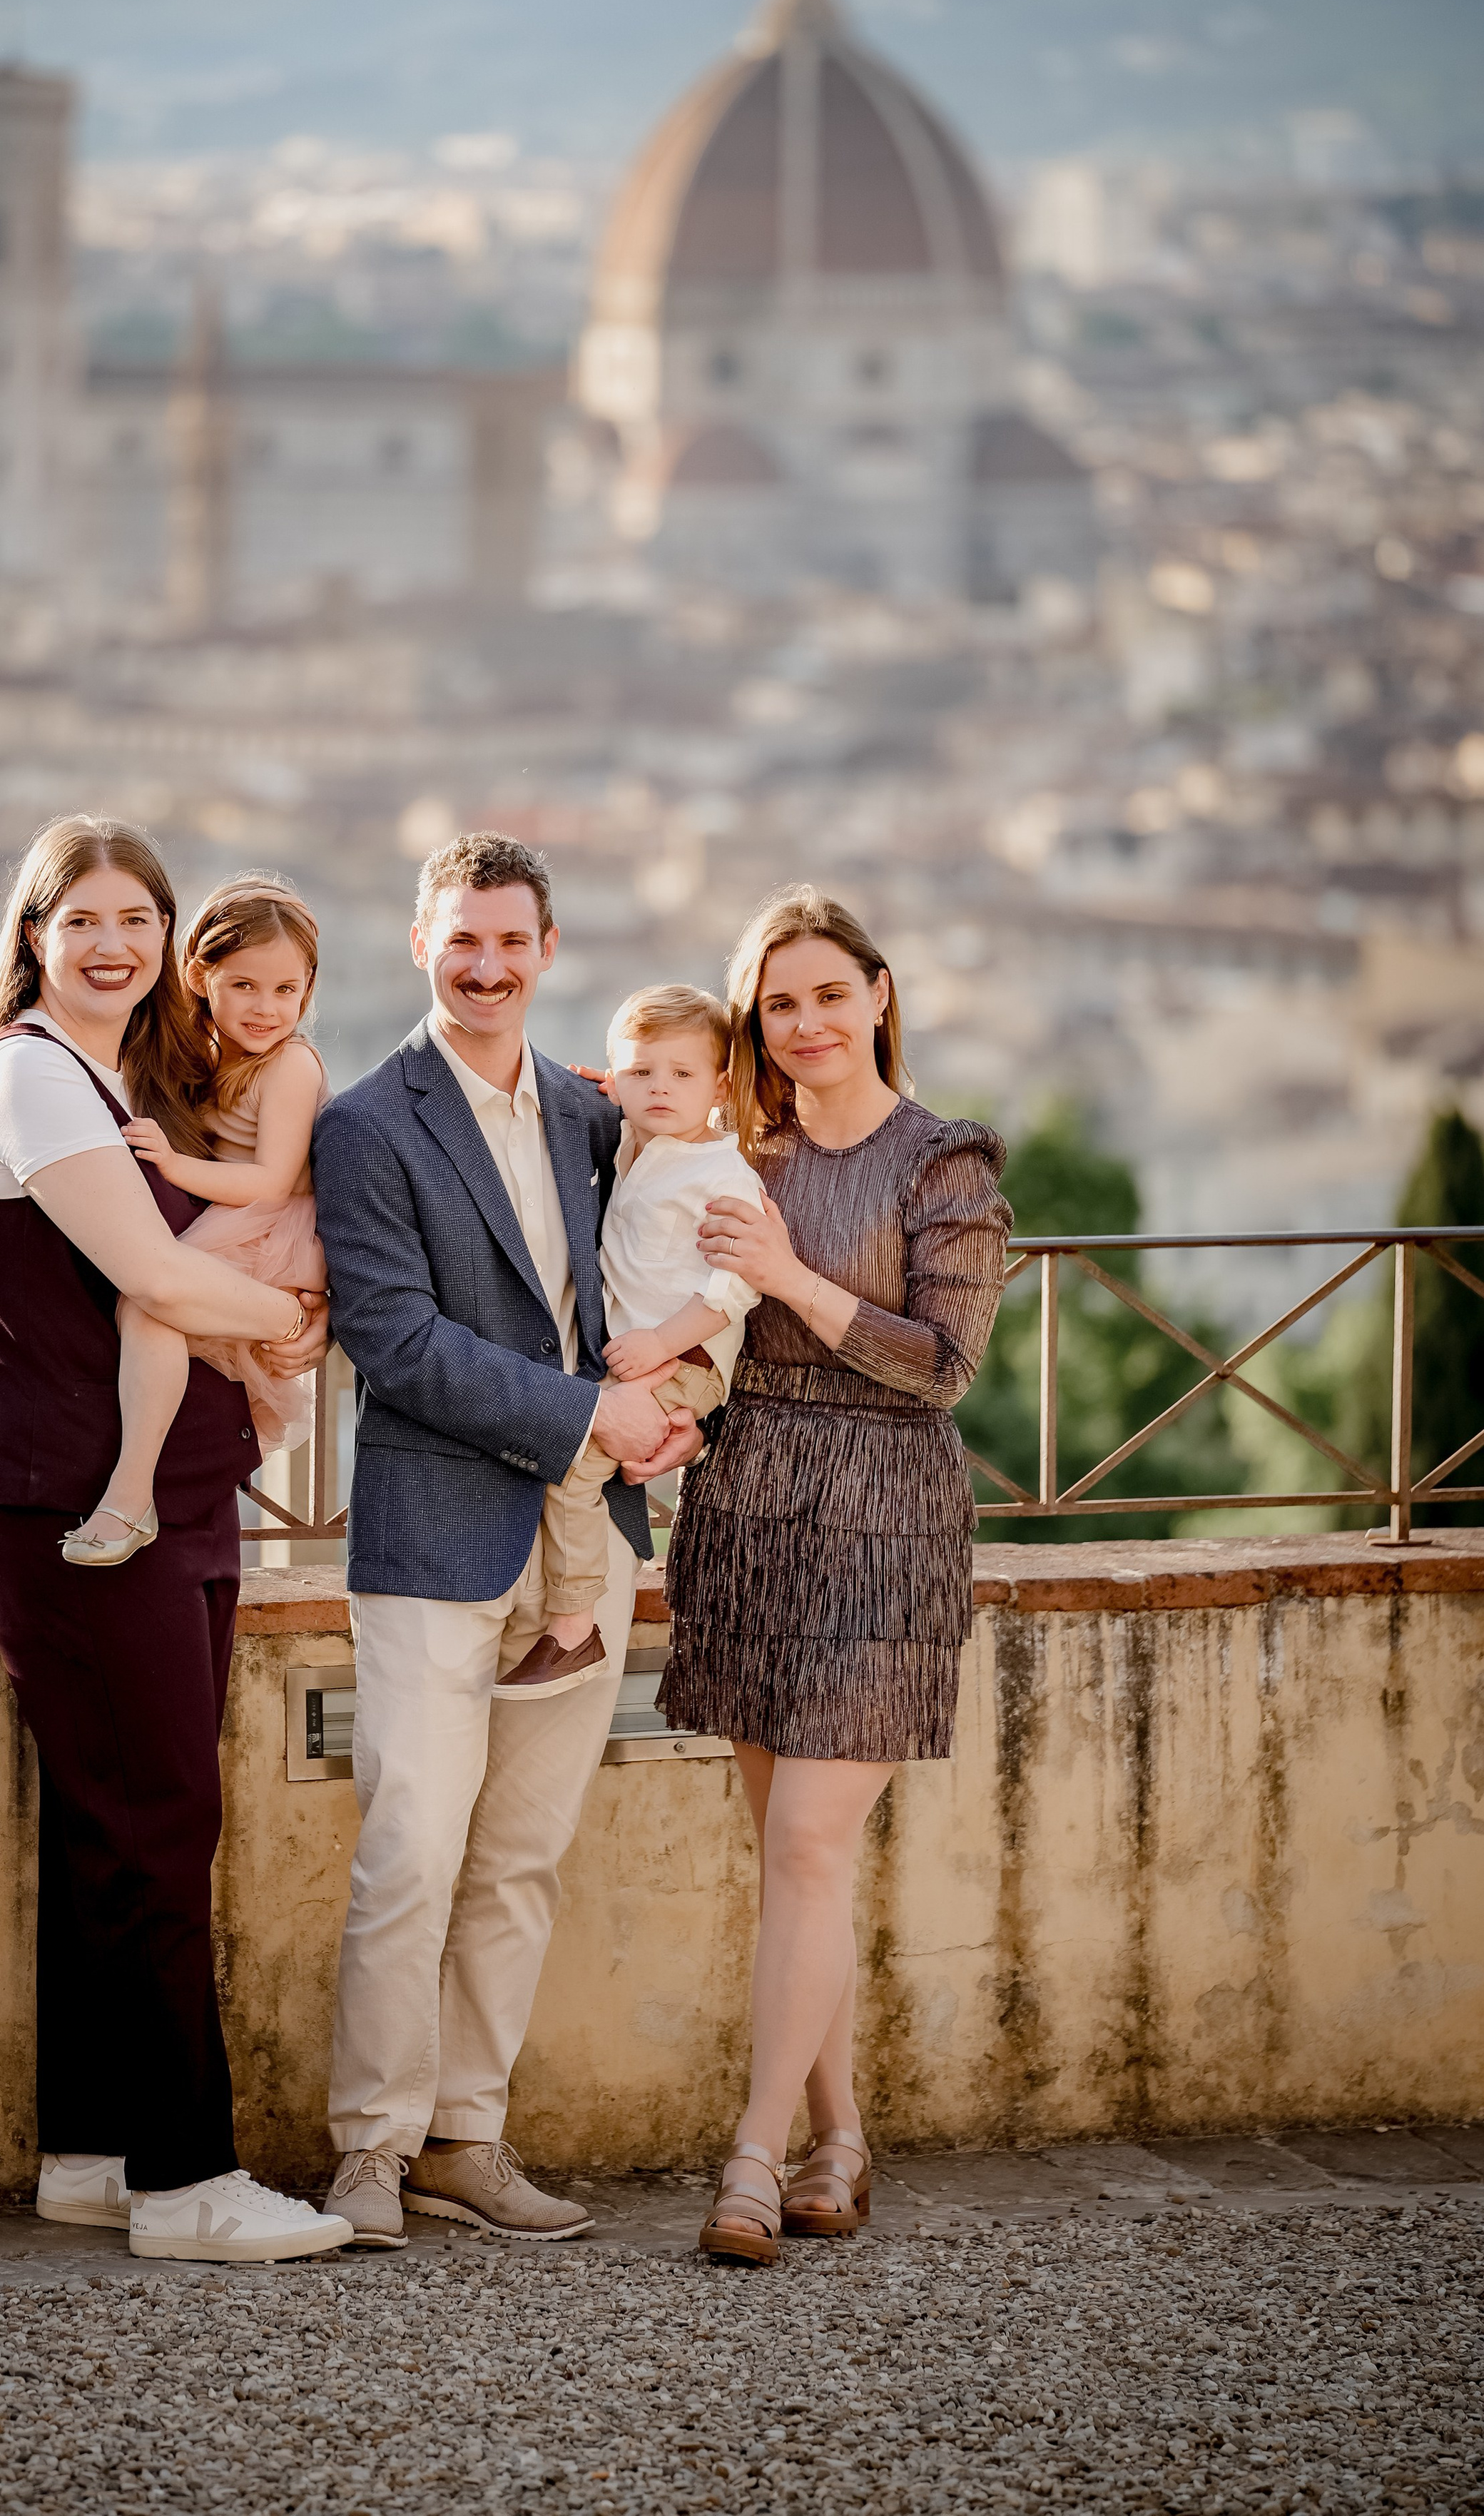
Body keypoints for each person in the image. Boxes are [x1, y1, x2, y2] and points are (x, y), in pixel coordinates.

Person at [0, 815, 350, 2265]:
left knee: (109, 1823)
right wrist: (302, 1316)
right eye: (82, 921)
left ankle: (94, 2153)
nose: (113, 945)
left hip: (162, 1489)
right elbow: (158, 1273)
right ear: (34, 936)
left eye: (137, 920)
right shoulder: (37, 1082)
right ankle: (185, 2183)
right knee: (160, 1820)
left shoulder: (121, 1073)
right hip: (74, 1502)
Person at [310, 831, 696, 2249]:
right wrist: (598, 1415)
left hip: (581, 1538)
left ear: (545, 951)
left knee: (521, 1858)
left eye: (509, 943)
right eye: (458, 940)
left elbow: (663, 1256)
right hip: (432, 1531)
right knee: (409, 1848)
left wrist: (672, 1397)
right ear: (420, 944)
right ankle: (367, 2150)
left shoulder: (596, 1121)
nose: (483, 967)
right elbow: (394, 1344)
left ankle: (464, 2139)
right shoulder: (364, 1124)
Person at [660, 883, 1010, 2264]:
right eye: (777, 1003)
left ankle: (751, 2158)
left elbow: (945, 1365)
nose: (804, 1023)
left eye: (826, 993)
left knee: (808, 1844)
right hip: (748, 1506)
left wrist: (793, 1281)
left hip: (888, 1516)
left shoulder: (947, 1159)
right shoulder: (736, 1153)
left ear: (877, 994)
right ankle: (842, 2135)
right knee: (796, 1864)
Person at [496, 981, 763, 1698]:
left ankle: (573, 1629)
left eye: (682, 1075)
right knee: (575, 1447)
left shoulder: (721, 1172)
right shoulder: (640, 1144)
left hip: (685, 1357)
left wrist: (661, 1347)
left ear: (720, 1086)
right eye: (642, 1072)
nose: (661, 1089)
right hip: (647, 1355)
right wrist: (608, 1093)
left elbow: (736, 1286)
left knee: (574, 1457)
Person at [65, 874, 330, 1566]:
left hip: (270, 1227)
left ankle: (130, 1492)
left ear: (308, 988)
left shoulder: (292, 1064)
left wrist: (174, 1166)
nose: (267, 1008)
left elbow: (271, 1179)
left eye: (285, 990)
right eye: (244, 985)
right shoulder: (212, 1056)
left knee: (149, 1307)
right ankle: (76, 1480)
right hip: (237, 1219)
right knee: (132, 1309)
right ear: (198, 975)